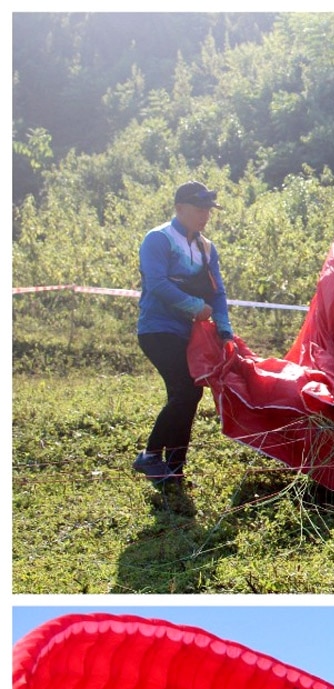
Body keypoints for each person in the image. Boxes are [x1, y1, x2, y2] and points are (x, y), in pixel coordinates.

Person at [134, 180, 234, 485]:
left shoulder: (206, 248)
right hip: (157, 329)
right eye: (199, 209)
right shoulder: (158, 239)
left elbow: (217, 292)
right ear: (180, 208)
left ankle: (174, 469)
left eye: (208, 210)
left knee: (185, 396)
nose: (205, 215)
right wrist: (194, 306)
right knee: (187, 391)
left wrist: (225, 329)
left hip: (187, 334)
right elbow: (157, 283)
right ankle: (150, 457)